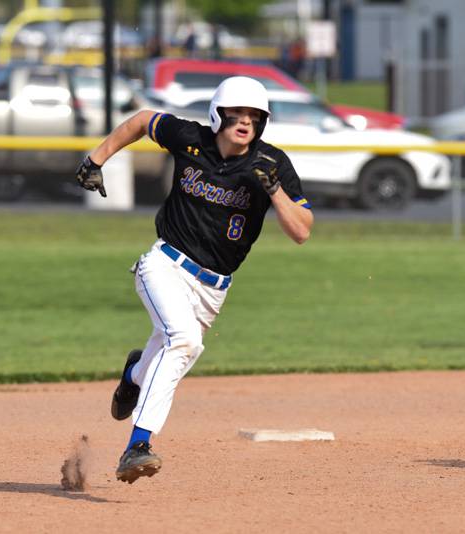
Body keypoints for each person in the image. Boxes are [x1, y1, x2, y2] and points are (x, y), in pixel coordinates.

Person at [75, 76, 314, 484]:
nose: (245, 122)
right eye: (236, 114)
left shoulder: (271, 163)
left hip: (213, 288)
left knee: (173, 352)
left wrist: (274, 190)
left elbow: (302, 230)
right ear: (217, 114)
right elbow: (141, 121)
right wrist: (95, 160)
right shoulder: (189, 139)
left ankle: (135, 374)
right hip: (164, 264)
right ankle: (138, 445)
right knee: (184, 341)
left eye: (254, 116)